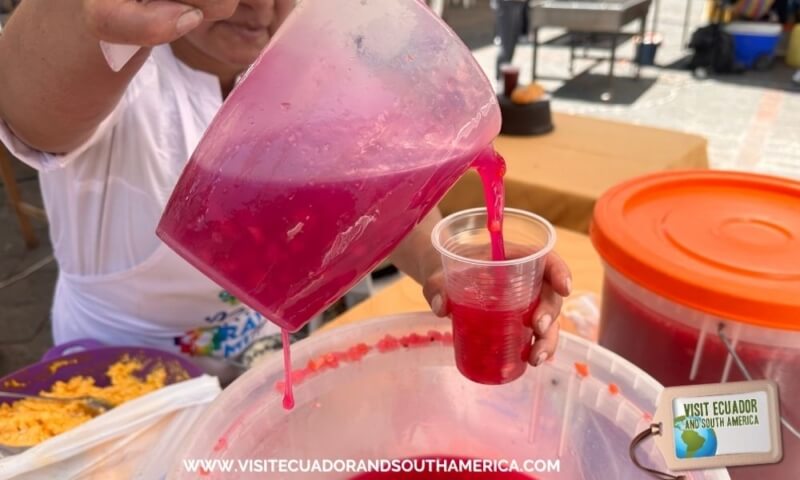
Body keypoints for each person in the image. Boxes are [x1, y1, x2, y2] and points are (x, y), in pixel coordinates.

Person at [0, 0, 571, 381]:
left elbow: (372, 197)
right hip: (115, 384)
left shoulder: (317, 66)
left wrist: (443, 267)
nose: (261, 4)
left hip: (278, 368)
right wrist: (83, 16)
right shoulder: (124, 71)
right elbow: (25, 101)